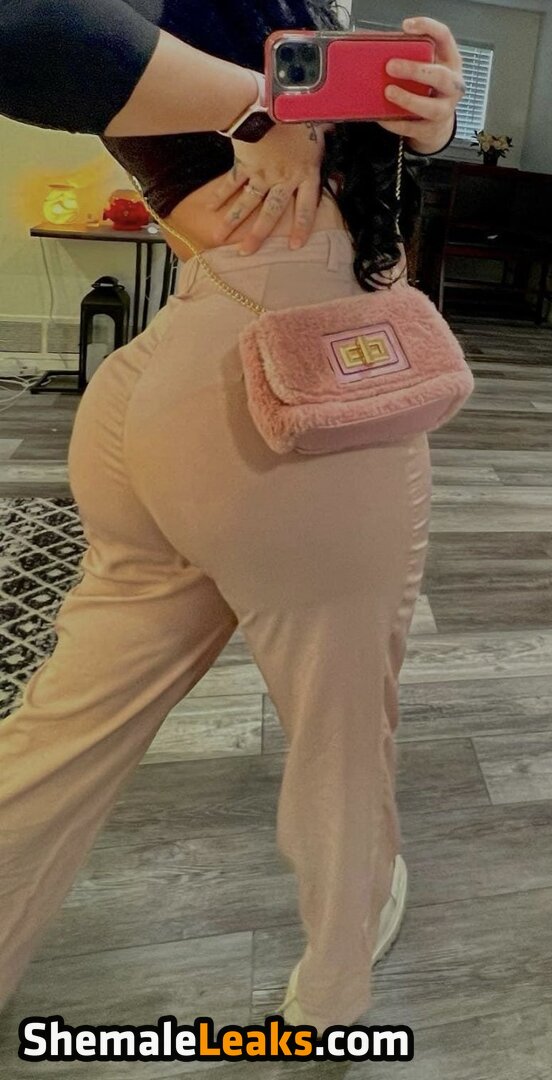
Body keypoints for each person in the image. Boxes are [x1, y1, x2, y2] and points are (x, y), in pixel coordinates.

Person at [0, 1, 463, 1033]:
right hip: (298, 382)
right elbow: (27, 32)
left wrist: (424, 123)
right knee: (344, 731)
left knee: (68, 730)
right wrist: (259, 108)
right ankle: (334, 998)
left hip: (180, 375)